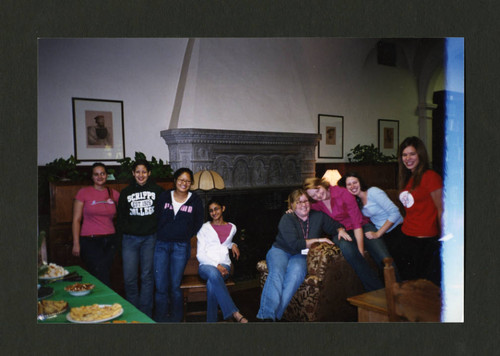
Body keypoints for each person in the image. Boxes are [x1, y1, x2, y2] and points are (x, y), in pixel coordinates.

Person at [256, 189, 344, 322]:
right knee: (277, 272)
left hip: (300, 256)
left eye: (306, 201)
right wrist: (319, 240)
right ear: (292, 205)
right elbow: (295, 244)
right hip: (280, 250)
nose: (304, 205)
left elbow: (336, 226)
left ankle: (274, 317)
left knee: (296, 275)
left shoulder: (318, 216)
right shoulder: (287, 218)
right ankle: (266, 315)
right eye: (299, 202)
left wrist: (341, 230)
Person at [304, 177, 385, 291]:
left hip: (362, 226)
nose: (318, 195)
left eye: (317, 190)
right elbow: (302, 206)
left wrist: (361, 251)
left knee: (383, 256)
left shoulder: (343, 193)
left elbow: (357, 224)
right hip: (341, 231)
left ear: (322, 184)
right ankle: (377, 290)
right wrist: (291, 209)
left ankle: (398, 289)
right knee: (348, 250)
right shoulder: (316, 204)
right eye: (313, 196)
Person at [153, 168, 204, 322]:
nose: (184, 183)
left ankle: (176, 320)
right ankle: (160, 320)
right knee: (161, 286)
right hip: (161, 244)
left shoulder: (195, 200)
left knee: (175, 286)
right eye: (181, 180)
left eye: (188, 181)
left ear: (191, 184)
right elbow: (155, 216)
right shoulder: (164, 196)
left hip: (181, 246)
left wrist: (186, 235)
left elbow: (198, 222)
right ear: (175, 181)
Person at [117, 159, 164, 317]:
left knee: (147, 276)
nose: (141, 175)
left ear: (149, 173)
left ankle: (145, 314)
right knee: (129, 277)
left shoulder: (158, 191)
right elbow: (120, 218)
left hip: (150, 239)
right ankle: (132, 312)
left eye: (144, 171)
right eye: (138, 172)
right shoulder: (125, 192)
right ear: (133, 173)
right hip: (130, 240)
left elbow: (162, 215)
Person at [396, 136, 443, 286]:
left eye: (412, 154)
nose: (408, 158)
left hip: (425, 241)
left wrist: (443, 239)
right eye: (404, 155)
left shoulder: (431, 177)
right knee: (408, 285)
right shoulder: (408, 178)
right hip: (407, 236)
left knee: (423, 288)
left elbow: (441, 210)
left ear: (420, 155)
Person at [337, 171, 401, 279]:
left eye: (355, 182)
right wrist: (340, 229)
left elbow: (395, 213)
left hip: (396, 231)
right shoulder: (356, 200)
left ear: (360, 182)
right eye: (349, 184)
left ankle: (400, 292)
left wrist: (378, 234)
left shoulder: (373, 192)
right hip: (383, 233)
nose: (353, 186)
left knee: (390, 264)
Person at [196, 199, 248, 323]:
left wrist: (233, 244)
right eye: (211, 211)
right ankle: (235, 313)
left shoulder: (232, 227)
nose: (214, 212)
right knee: (214, 274)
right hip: (206, 265)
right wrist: (216, 265)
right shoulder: (203, 228)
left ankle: (211, 322)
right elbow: (200, 254)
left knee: (211, 284)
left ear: (223, 208)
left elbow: (225, 242)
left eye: (216, 209)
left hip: (225, 264)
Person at [72, 162, 119, 286]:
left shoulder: (114, 193)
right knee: (101, 273)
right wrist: (76, 243)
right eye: (96, 174)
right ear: (92, 177)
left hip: (110, 241)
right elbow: (76, 220)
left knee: (104, 273)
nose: (100, 177)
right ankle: (107, 303)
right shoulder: (83, 193)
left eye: (102, 174)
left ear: (107, 175)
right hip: (90, 241)